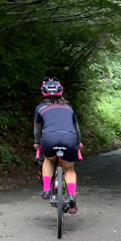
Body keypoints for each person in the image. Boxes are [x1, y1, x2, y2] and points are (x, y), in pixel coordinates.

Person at [34, 77, 83, 214]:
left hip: (50, 138)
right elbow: (77, 129)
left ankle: (46, 189)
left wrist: (37, 142)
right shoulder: (68, 108)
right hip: (69, 138)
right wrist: (78, 143)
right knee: (69, 169)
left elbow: (37, 130)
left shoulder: (40, 108)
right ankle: (72, 195)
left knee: (49, 160)